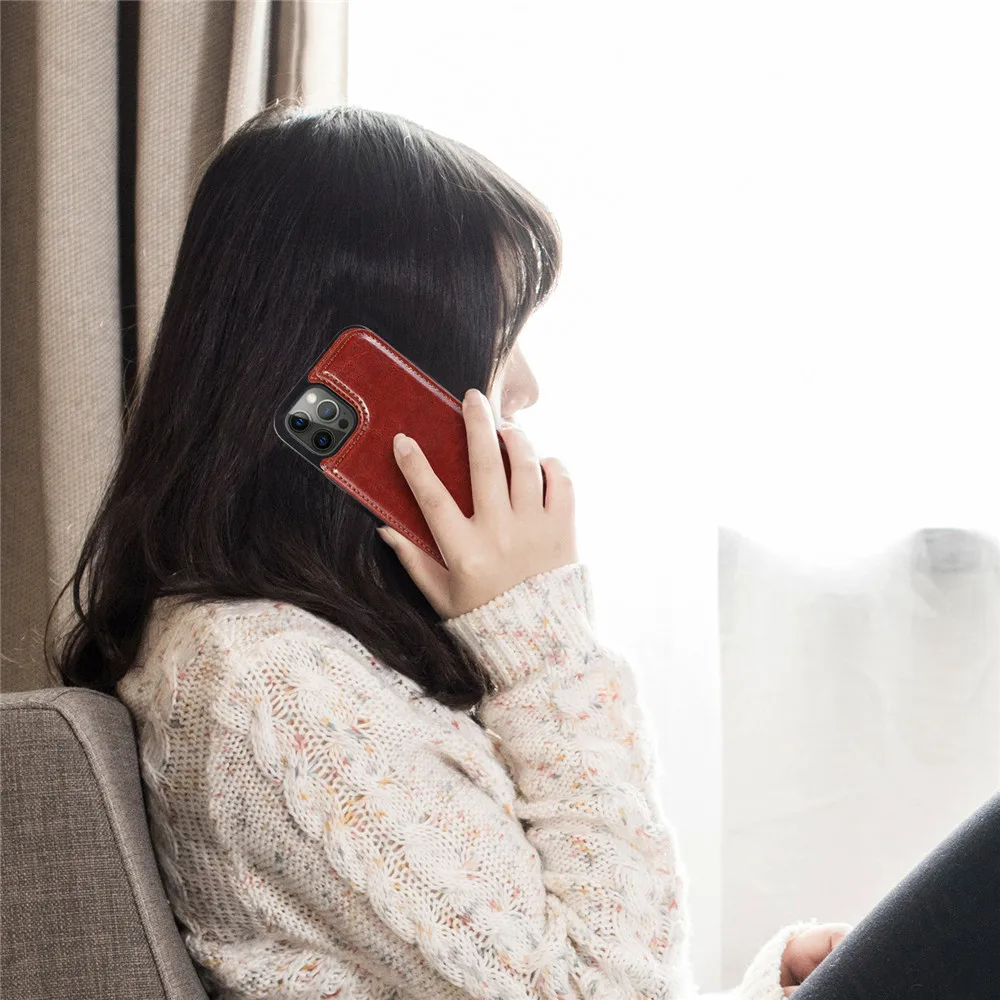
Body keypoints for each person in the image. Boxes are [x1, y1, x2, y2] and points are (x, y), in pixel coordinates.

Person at [48, 104, 848, 999]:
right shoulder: (269, 686)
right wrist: (541, 644)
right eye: (498, 340)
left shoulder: (311, 656)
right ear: (368, 382)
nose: (527, 388)